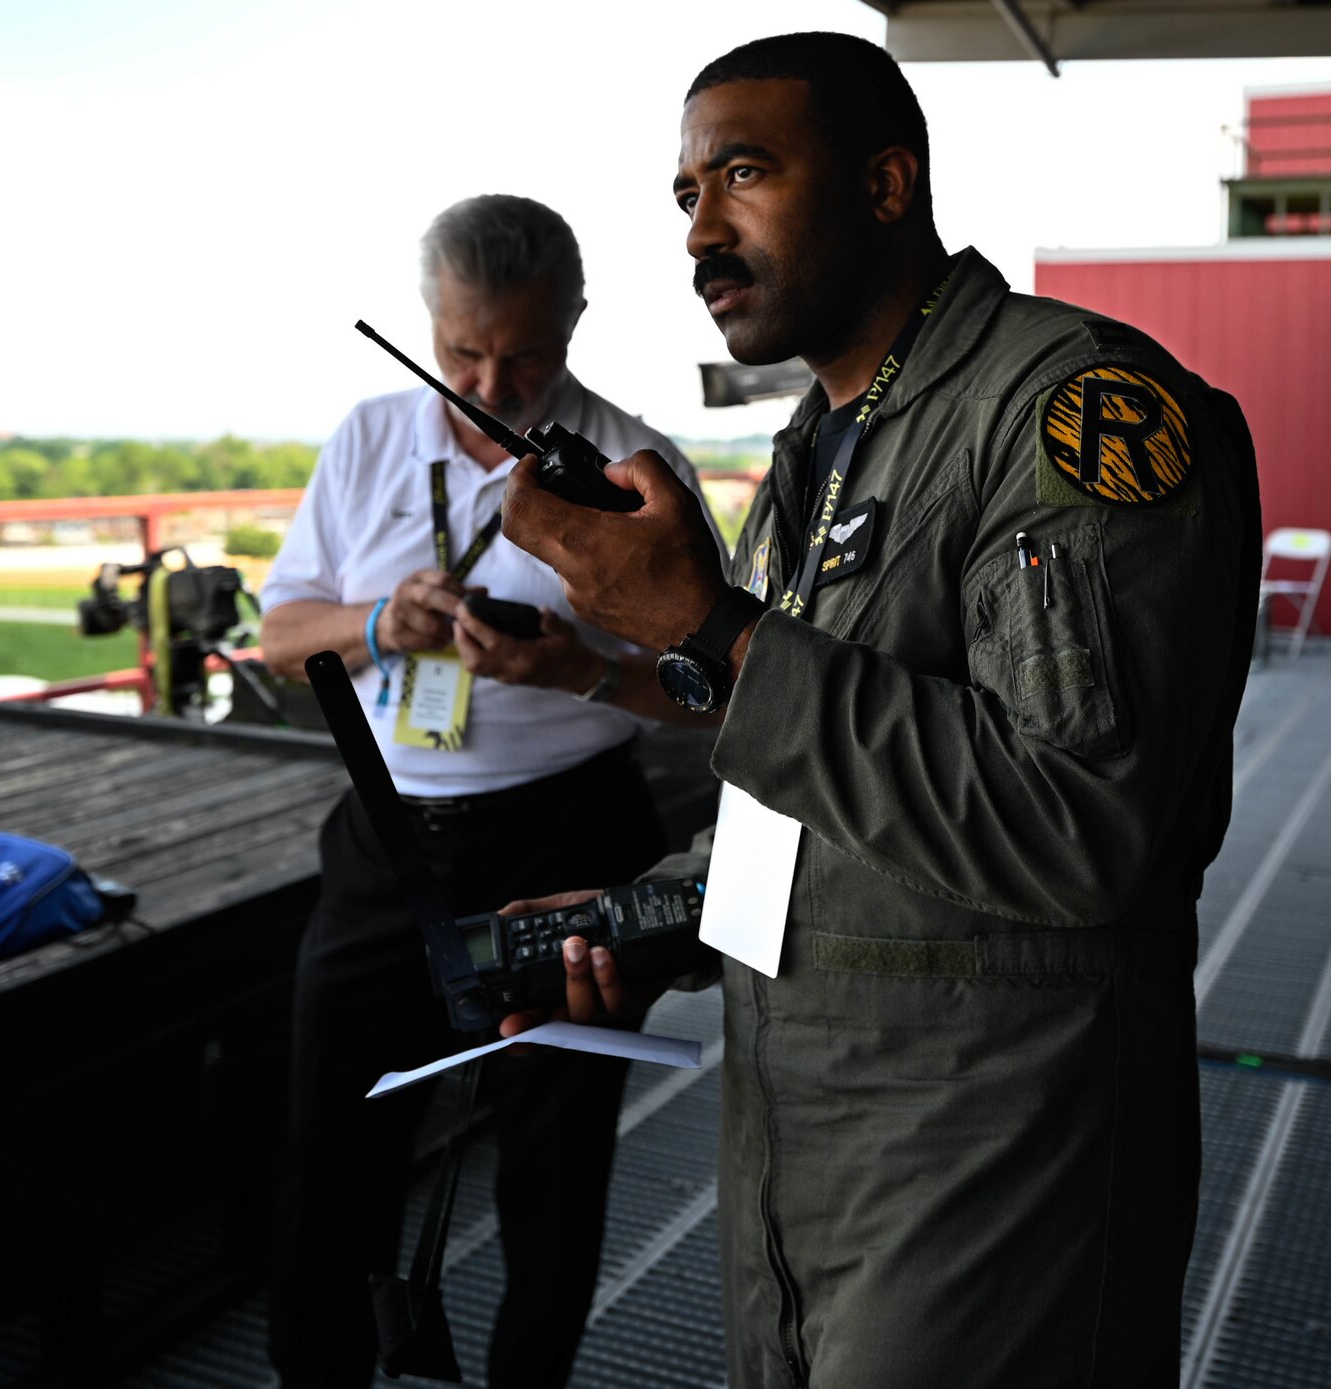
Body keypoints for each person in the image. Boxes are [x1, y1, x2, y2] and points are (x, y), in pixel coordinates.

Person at [497, 33, 1260, 1389]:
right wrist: (659, 915)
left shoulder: (1067, 412)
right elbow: (821, 784)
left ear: (888, 184)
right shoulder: (818, 451)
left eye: (744, 172)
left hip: (996, 1156)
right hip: (796, 1142)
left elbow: (1074, 828)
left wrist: (708, 626)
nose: (703, 234)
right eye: (684, 194)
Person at [256, 192, 723, 1389]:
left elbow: (717, 689)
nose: (491, 378)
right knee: (324, 1153)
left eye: (525, 353)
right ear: (425, 322)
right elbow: (279, 635)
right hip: (386, 840)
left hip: (567, 830)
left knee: (553, 1168)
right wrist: (375, 621)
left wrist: (580, 667)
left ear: (574, 320)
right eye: (461, 350)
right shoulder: (366, 438)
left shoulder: (633, 468)